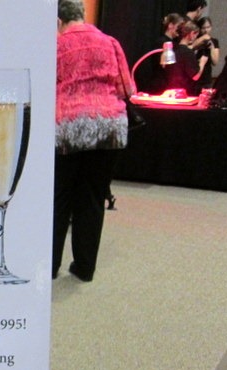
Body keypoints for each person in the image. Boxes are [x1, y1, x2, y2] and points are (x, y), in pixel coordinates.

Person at [54, 0, 134, 282]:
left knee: (60, 197)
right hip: (109, 128)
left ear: (59, 21)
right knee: (93, 196)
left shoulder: (56, 46)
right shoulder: (110, 42)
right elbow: (127, 88)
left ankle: (50, 265)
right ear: (83, 15)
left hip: (68, 128)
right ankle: (85, 267)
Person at [165, 20, 208, 95]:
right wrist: (202, 63)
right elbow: (195, 76)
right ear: (191, 34)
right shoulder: (187, 53)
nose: (195, 38)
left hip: (171, 90)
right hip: (184, 93)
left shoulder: (172, 50)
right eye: (196, 35)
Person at [146, 13, 185, 93]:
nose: (180, 30)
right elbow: (164, 66)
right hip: (161, 84)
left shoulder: (174, 43)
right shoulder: (162, 42)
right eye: (179, 26)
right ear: (170, 25)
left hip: (168, 83)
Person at [193, 17, 220, 89]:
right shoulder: (194, 39)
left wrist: (212, 48)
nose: (206, 30)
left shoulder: (214, 41)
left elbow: (215, 62)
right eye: (203, 28)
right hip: (195, 74)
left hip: (206, 77)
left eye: (208, 27)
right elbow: (191, 48)